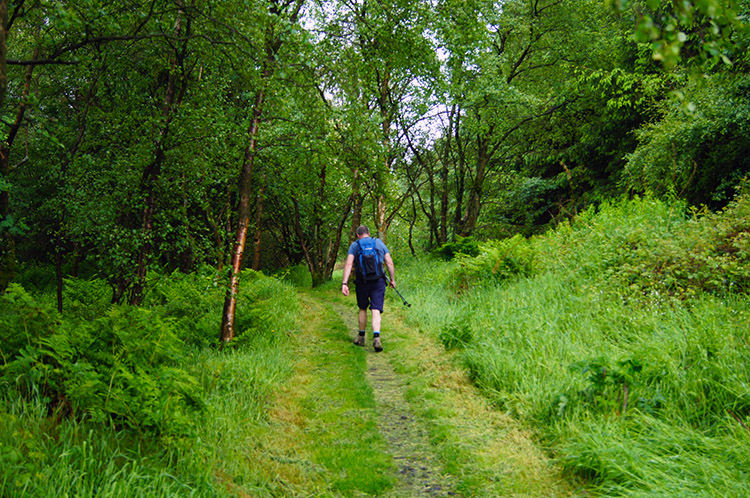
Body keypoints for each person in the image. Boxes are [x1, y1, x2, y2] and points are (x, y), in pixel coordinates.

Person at [341, 225, 396, 352]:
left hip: (362, 282)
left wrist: (344, 283)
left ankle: (361, 337)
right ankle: (376, 337)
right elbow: (389, 262)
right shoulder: (378, 243)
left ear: (358, 235)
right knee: (376, 309)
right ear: (369, 233)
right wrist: (392, 279)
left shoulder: (355, 245)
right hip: (378, 281)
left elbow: (349, 263)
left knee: (362, 308)